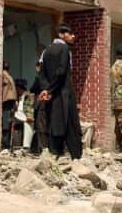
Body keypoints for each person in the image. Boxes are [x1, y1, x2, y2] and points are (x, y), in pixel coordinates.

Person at [38, 24, 82, 159]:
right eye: (70, 33)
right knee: (71, 123)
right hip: (64, 92)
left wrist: (47, 90)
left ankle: (55, 152)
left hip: (52, 95)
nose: (73, 36)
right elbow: (62, 72)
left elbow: (42, 74)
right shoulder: (64, 49)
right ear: (61, 35)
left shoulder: (46, 51)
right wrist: (52, 88)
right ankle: (76, 156)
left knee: (54, 123)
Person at [29, 61, 47, 155]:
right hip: (44, 104)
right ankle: (39, 147)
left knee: (40, 126)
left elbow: (32, 88)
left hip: (40, 104)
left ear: (38, 67)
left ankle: (41, 148)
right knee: (42, 125)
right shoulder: (48, 77)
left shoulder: (40, 77)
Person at [1, 63, 17, 150]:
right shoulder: (9, 76)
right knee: (8, 124)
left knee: (5, 125)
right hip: (11, 102)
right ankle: (7, 144)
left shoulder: (3, 76)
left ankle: (5, 145)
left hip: (6, 102)